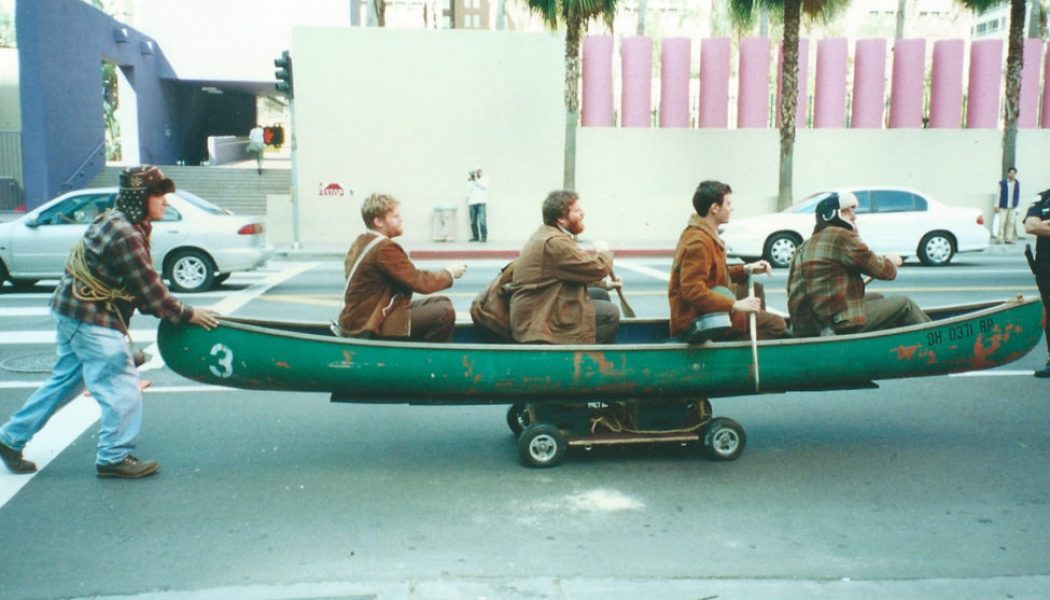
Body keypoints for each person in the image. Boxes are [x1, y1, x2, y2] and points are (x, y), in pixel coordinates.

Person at [0, 166, 221, 479]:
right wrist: (188, 314)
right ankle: (114, 456)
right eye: (159, 196)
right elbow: (150, 294)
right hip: (92, 318)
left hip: (71, 310)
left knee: (66, 382)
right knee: (121, 386)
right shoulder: (127, 234)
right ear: (140, 198)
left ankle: (10, 438)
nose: (165, 203)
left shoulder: (115, 219)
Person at [787, 191, 930, 337]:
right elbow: (884, 271)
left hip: (808, 327)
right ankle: (933, 338)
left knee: (877, 297)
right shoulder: (841, 236)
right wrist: (892, 262)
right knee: (904, 304)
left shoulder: (803, 246)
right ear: (832, 215)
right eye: (848, 211)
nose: (854, 216)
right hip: (835, 325)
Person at [337, 193, 467, 342]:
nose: (401, 219)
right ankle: (429, 360)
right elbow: (419, 281)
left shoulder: (363, 241)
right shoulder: (384, 248)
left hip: (365, 316)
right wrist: (450, 273)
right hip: (371, 323)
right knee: (445, 312)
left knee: (442, 301)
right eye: (395, 216)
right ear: (378, 221)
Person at [668, 180, 787, 341]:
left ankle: (747, 330)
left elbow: (715, 273)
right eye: (728, 203)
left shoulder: (704, 234)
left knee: (755, 289)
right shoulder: (699, 242)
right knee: (777, 325)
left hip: (708, 308)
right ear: (715, 208)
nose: (732, 208)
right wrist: (735, 305)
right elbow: (692, 290)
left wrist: (746, 269)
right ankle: (730, 347)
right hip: (700, 319)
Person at [509, 190, 621, 344]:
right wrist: (604, 252)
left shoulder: (548, 234)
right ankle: (586, 361)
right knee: (610, 312)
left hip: (540, 302)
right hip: (539, 317)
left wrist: (603, 284)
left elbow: (570, 272)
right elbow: (598, 268)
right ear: (561, 219)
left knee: (600, 294)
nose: (583, 214)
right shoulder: (555, 243)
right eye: (577, 211)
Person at [1023, 189, 1050, 378]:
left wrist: (1045, 225)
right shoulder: (1043, 197)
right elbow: (1031, 226)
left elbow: (1039, 226)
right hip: (1045, 267)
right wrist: (1040, 224)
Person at [994, 167, 1020, 244]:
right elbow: (998, 195)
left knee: (1011, 223)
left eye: (1013, 173)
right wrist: (996, 205)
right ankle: (999, 238)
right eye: (1010, 172)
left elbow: (1019, 196)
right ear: (1008, 173)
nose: (1012, 174)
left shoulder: (1017, 184)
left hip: (1013, 206)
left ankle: (1008, 239)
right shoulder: (1002, 183)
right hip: (1003, 206)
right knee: (1001, 223)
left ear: (1015, 174)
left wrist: (1018, 208)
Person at [466, 166, 489, 242]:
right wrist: (472, 181)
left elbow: (484, 186)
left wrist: (476, 180)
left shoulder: (484, 179)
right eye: (475, 172)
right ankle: (475, 236)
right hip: (472, 203)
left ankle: (484, 237)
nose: (477, 173)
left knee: (482, 221)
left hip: (481, 203)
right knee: (473, 222)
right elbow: (468, 191)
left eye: (478, 171)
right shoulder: (471, 181)